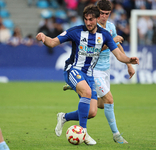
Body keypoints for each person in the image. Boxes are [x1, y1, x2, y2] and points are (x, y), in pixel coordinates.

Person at [36, 5, 139, 145]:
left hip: (89, 74)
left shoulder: (105, 35)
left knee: (92, 112)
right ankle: (83, 132)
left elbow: (119, 55)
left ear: (97, 19)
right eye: (86, 19)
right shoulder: (76, 31)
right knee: (87, 92)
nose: (88, 22)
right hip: (73, 70)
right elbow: (53, 42)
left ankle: (64, 117)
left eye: (91, 19)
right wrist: (44, 37)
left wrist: (129, 61)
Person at [63, 0, 136, 144]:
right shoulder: (89, 28)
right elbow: (94, 48)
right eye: (101, 13)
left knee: (98, 107)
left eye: (107, 14)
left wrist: (128, 64)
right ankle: (116, 135)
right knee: (109, 99)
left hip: (105, 70)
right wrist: (112, 41)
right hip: (92, 70)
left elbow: (117, 45)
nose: (104, 17)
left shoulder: (110, 27)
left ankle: (66, 112)